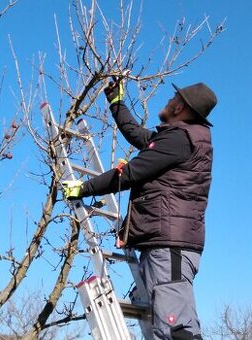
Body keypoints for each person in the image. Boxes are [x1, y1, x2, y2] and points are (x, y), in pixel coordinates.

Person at [63, 79, 217, 340]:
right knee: (170, 325)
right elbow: (138, 134)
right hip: (167, 244)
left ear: (180, 107)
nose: (168, 101)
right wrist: (116, 103)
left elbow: (132, 173)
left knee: (175, 329)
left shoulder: (180, 139)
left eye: (173, 98)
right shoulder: (179, 138)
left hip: (169, 247)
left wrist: (83, 188)